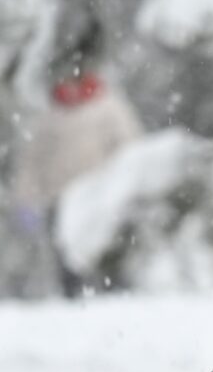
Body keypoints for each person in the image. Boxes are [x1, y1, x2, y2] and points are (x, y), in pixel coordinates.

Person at [12, 50, 142, 298]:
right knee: (66, 262)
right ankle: (73, 302)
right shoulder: (48, 117)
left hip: (101, 199)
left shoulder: (109, 108)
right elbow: (31, 162)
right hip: (58, 201)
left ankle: (116, 298)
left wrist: (125, 189)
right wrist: (26, 200)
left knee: (108, 255)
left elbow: (130, 150)